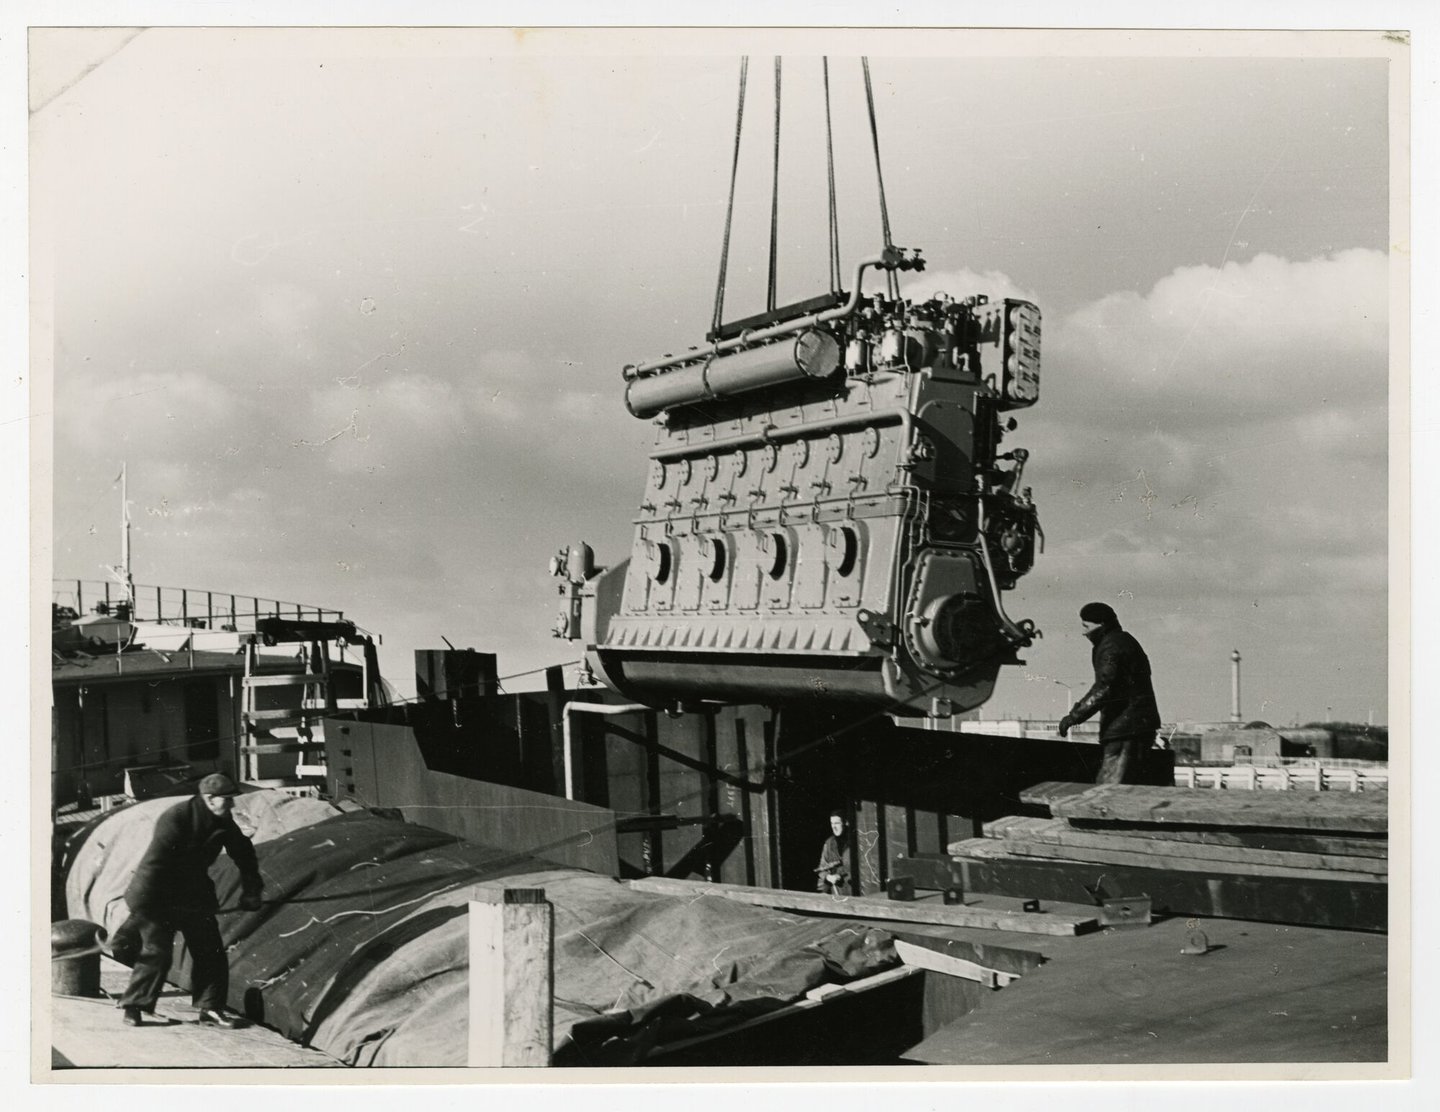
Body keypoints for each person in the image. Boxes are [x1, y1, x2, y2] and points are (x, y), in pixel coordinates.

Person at [115, 772, 263, 1028]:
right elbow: (154, 864)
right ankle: (134, 1006)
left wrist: (251, 890)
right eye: (227, 800)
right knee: (157, 952)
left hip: (193, 895)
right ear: (209, 798)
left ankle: (211, 1008)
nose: (231, 805)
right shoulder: (177, 817)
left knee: (210, 950)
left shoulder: (223, 819)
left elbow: (243, 852)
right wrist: (142, 908)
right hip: (157, 893)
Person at [1057, 602, 1162, 784]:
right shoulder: (1123, 641)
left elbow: (1105, 687)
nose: (1083, 632)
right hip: (1135, 726)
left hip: (1125, 729)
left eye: (1086, 626)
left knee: (1109, 788)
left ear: (1100, 625)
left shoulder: (1110, 647)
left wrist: (1073, 717)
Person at [815, 811, 853, 895]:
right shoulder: (828, 844)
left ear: (846, 823)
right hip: (837, 894)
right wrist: (827, 877)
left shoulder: (855, 842)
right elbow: (822, 868)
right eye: (832, 823)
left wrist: (841, 876)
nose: (834, 827)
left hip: (853, 892)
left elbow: (864, 871)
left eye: (837, 823)